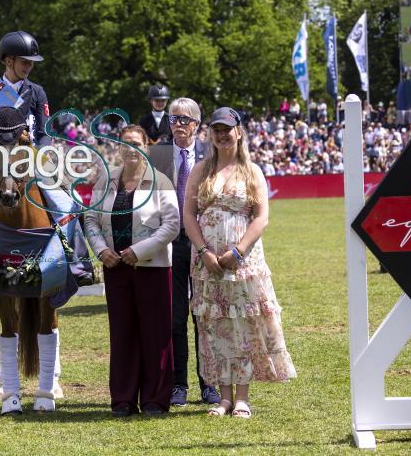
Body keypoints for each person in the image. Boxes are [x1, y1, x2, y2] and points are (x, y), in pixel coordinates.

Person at [184, 107, 296, 418]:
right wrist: (204, 250)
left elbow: (261, 217)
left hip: (243, 263)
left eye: (227, 129)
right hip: (207, 263)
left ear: (239, 132)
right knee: (214, 325)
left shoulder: (252, 171)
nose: (222, 135)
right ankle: (222, 397)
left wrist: (238, 251)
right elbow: (189, 216)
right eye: (216, 129)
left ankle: (242, 397)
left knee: (243, 325)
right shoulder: (200, 170)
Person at [84, 124, 179, 416]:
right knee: (122, 335)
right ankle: (123, 399)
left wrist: (140, 251)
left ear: (146, 147)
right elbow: (90, 220)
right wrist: (101, 250)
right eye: (125, 143)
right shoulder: (106, 181)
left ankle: (155, 399)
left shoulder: (160, 181)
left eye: (136, 143)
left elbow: (172, 225)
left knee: (156, 334)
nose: (131, 148)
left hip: (152, 268)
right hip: (116, 269)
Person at [147, 98, 220, 407]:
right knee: (175, 317)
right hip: (169, 243)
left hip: (204, 244)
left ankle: (210, 383)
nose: (178, 124)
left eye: (184, 120)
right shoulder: (157, 154)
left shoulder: (213, 154)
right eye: (173, 119)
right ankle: (179, 384)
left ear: (196, 126)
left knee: (204, 315)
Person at [0, 31, 51, 147]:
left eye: (31, 63)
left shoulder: (38, 92)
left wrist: (40, 157)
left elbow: (45, 133)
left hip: (29, 160)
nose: (29, 67)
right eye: (25, 62)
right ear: (9, 61)